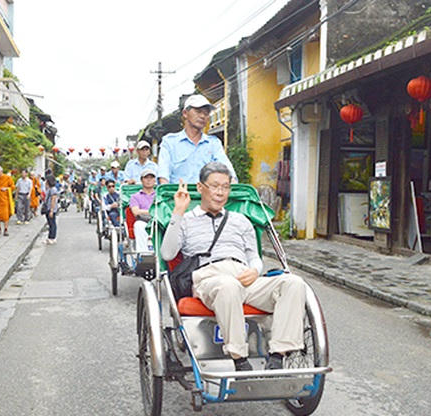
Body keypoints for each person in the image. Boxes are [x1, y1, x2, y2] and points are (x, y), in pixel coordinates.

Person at [161, 162, 306, 372]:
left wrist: (255, 270)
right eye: (214, 186)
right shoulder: (186, 220)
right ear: (200, 188)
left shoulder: (241, 220)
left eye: (225, 187)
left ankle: (277, 356)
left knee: (293, 283)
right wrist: (178, 212)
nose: (220, 193)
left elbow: (253, 256)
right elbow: (167, 254)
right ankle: (240, 359)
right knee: (228, 285)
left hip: (244, 276)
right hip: (209, 277)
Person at [157, 94, 238, 184]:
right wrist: (167, 189)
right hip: (178, 192)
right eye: (198, 111)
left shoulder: (213, 143)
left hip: (207, 192)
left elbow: (228, 171)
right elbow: (163, 176)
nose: (203, 116)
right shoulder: (169, 142)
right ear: (185, 113)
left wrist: (233, 182)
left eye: (206, 113)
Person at [129, 169, 157, 252]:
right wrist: (152, 211)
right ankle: (143, 252)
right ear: (141, 180)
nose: (149, 180)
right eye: (146, 178)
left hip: (159, 221)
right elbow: (136, 212)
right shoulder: (135, 197)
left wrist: (145, 211)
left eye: (151, 178)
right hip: (144, 221)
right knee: (139, 225)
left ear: (154, 180)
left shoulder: (159, 195)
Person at [43, 175, 58, 244]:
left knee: (52, 223)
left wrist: (51, 210)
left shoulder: (53, 190)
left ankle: (52, 237)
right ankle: (50, 237)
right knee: (50, 223)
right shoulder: (50, 189)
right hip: (48, 208)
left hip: (51, 208)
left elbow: (53, 200)